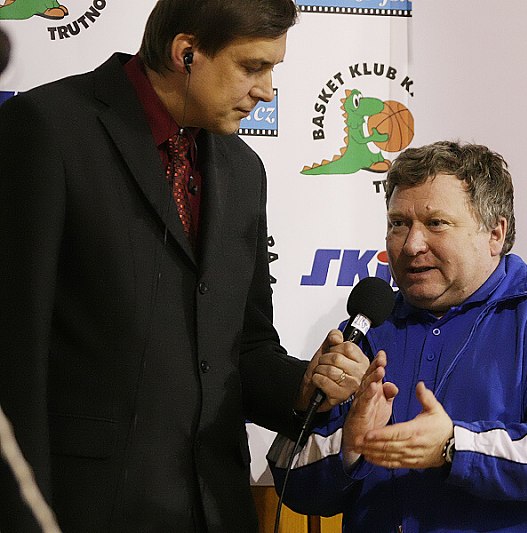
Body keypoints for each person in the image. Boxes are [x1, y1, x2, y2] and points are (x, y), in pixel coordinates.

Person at [0, 1, 369, 531]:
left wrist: (305, 386)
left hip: (218, 511)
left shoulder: (244, 170)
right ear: (186, 52)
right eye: (253, 67)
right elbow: (14, 353)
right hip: (82, 511)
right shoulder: (47, 128)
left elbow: (246, 350)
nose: (267, 91)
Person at [269, 141, 527, 532]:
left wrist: (455, 447)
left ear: (495, 233)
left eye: (436, 223)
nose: (411, 245)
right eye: (398, 224)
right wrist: (351, 444)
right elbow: (290, 474)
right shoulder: (367, 326)